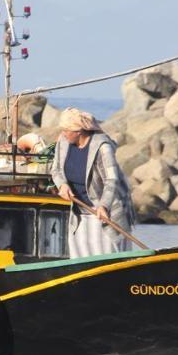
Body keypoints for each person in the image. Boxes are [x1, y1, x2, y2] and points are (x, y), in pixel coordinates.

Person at [51, 108, 136, 258]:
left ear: (78, 131)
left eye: (66, 130)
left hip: (106, 211)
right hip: (80, 213)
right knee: (80, 258)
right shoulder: (63, 142)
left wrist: (104, 205)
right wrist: (62, 185)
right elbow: (56, 170)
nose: (63, 133)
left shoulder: (102, 147)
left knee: (109, 258)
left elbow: (111, 179)